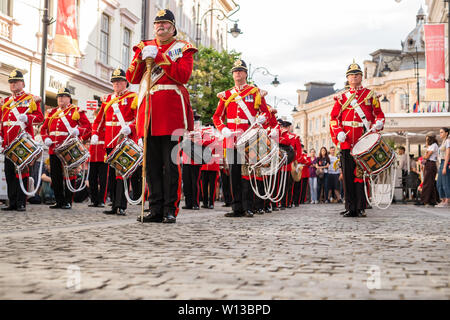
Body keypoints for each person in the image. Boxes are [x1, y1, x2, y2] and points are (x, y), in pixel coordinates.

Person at [127, 9, 197, 223]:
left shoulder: (183, 48)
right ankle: (155, 208)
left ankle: (169, 209)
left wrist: (159, 57)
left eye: (165, 23)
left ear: (173, 27)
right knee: (151, 166)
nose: (161, 27)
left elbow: (183, 76)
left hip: (172, 114)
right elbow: (132, 77)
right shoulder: (144, 46)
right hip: (148, 113)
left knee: (171, 166)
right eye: (158, 23)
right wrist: (141, 58)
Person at [212, 58, 273, 218]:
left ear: (246, 74)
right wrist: (223, 128)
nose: (237, 73)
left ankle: (248, 207)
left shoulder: (254, 92)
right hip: (231, 139)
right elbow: (217, 117)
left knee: (247, 174)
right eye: (235, 71)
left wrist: (262, 119)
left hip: (250, 138)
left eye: (240, 71)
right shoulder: (226, 95)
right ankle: (236, 207)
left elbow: (266, 112)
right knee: (233, 174)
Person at [330, 61, 385, 217]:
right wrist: (338, 131)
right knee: (347, 176)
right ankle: (350, 207)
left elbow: (378, 114)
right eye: (351, 75)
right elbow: (334, 118)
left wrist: (378, 124)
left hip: (363, 140)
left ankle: (360, 207)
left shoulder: (370, 95)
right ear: (348, 79)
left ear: (361, 77)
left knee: (360, 175)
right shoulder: (342, 98)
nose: (354, 77)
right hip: (346, 141)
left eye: (356, 75)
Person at [92, 68, 138, 216]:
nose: (117, 84)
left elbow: (139, 118)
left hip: (124, 140)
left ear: (126, 82)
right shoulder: (108, 100)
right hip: (110, 141)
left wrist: (130, 127)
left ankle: (121, 205)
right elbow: (99, 120)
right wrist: (95, 134)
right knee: (111, 175)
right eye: (114, 82)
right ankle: (113, 205)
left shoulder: (133, 97)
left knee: (122, 174)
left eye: (119, 81)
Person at [40, 88, 92, 209]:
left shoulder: (76, 111)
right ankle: (59, 200)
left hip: (69, 149)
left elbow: (87, 127)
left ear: (69, 98)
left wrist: (78, 130)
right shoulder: (52, 113)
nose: (61, 99)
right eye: (59, 97)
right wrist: (46, 138)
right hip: (54, 148)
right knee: (55, 176)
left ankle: (68, 200)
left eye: (64, 96)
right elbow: (43, 129)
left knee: (70, 175)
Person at [0, 70, 44, 212]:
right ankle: (12, 202)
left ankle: (21, 202)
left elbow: (39, 118)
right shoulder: (6, 101)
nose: (13, 84)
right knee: (9, 173)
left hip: (22, 141)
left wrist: (28, 118)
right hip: (8, 143)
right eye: (11, 82)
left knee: (23, 172)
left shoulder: (31, 99)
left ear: (22, 83)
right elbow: (2, 122)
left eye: (16, 82)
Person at [88, 109, 107, 208]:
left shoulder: (105, 125)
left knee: (103, 179)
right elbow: (86, 135)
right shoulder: (93, 126)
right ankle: (93, 199)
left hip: (102, 155)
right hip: (92, 155)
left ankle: (101, 200)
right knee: (92, 178)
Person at [421, 132, 439, 207]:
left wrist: (424, 156)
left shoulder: (433, 145)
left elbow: (427, 156)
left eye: (427, 138)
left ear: (430, 138)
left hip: (430, 164)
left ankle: (425, 200)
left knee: (427, 183)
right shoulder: (431, 146)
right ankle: (432, 200)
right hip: (429, 164)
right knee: (430, 182)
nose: (426, 139)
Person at [436, 127, 450, 207]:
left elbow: (448, 154)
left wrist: (445, 166)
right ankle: (443, 199)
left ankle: (447, 200)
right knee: (439, 183)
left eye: (442, 132)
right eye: (440, 132)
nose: (440, 134)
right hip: (441, 163)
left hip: (445, 162)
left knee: (446, 182)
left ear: (446, 133)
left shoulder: (448, 141)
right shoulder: (443, 142)